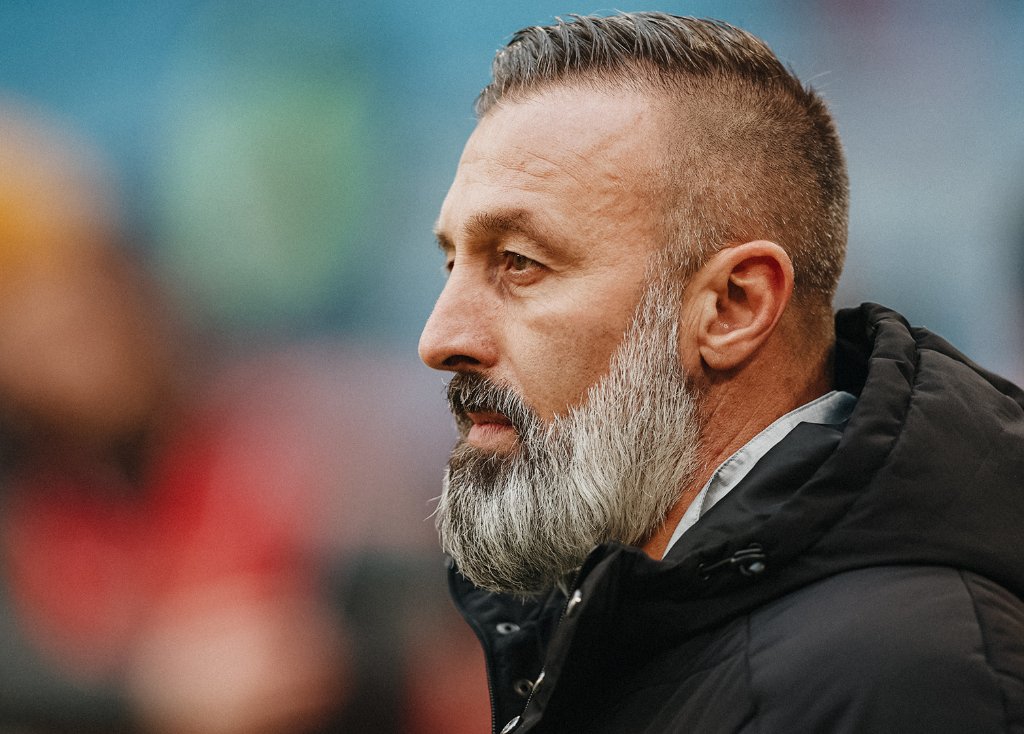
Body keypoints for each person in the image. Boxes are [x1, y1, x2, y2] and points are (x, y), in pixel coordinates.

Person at [418, 12, 1024, 734]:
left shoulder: (907, 681)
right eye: (452, 264)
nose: (439, 339)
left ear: (733, 307)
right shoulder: (618, 629)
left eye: (519, 262)